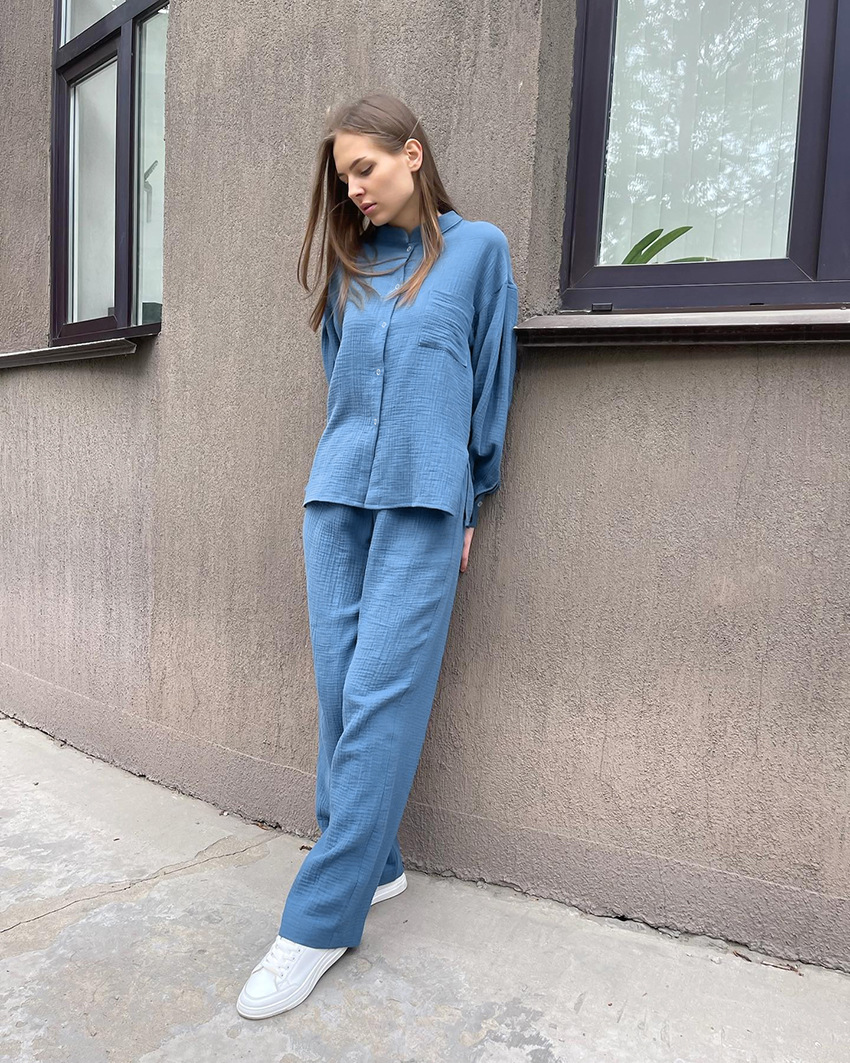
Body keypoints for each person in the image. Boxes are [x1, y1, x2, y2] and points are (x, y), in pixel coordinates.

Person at [236, 92, 519, 1020]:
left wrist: (474, 492)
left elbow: (491, 376)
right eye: (343, 175)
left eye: (365, 167)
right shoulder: (350, 266)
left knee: (382, 698)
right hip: (335, 500)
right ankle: (378, 863)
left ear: (412, 154)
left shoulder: (479, 252)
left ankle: (318, 920)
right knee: (339, 693)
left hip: (426, 500)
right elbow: (342, 381)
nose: (353, 188)